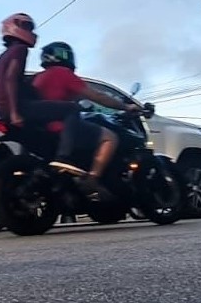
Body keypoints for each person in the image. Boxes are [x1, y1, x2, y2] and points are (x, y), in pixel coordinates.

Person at [30, 42, 141, 202]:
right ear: (65, 56)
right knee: (110, 137)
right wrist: (126, 106)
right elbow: (97, 97)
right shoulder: (63, 73)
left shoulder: (38, 78)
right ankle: (93, 178)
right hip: (63, 127)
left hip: (43, 128)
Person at [0, 13, 81, 163]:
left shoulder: (3, 55)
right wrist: (15, 113)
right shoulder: (20, 50)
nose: (31, 32)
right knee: (72, 109)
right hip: (19, 106)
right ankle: (64, 157)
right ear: (13, 27)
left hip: (2, 109)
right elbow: (10, 79)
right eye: (26, 26)